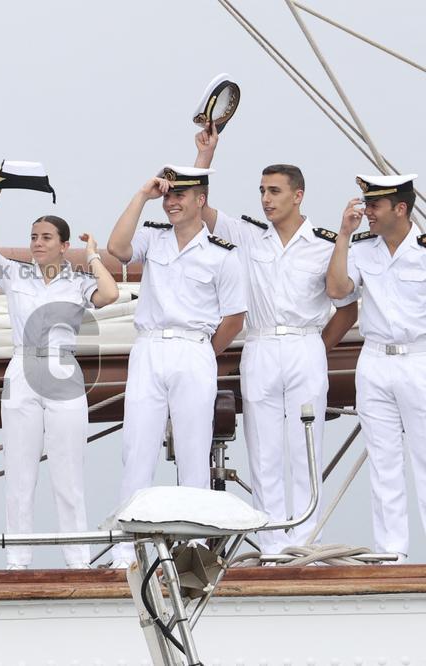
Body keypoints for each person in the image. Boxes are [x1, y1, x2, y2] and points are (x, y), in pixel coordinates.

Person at [193, 122, 359, 555]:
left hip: (304, 344)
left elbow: (347, 305)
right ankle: (271, 546)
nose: (265, 199)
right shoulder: (249, 236)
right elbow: (199, 210)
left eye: (274, 191)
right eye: (262, 191)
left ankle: (304, 542)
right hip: (261, 345)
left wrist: (316, 349)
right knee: (263, 447)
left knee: (305, 447)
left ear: (297, 195)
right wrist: (205, 156)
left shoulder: (324, 244)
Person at [0, 177, 119, 569]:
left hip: (62, 367)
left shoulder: (80, 281)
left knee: (68, 471)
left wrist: (94, 255)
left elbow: (110, 294)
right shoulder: (16, 274)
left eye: (46, 237)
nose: (37, 242)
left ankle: (77, 558)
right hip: (23, 364)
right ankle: (18, 559)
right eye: (34, 236)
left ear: (63, 245)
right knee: (19, 468)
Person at [106, 165, 246, 567]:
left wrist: (204, 352)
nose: (171, 202)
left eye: (179, 195)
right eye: (168, 195)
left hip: (194, 348)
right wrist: (141, 195)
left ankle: (193, 549)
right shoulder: (153, 238)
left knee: (192, 449)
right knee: (137, 447)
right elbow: (118, 248)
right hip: (149, 347)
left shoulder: (223, 255)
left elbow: (234, 318)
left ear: (200, 200)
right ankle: (126, 550)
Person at [326, 173, 425, 563]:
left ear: (400, 209)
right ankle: (392, 553)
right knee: (383, 460)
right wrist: (343, 237)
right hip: (375, 359)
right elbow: (337, 291)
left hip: (419, 358)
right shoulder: (363, 248)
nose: (366, 212)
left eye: (374, 206)